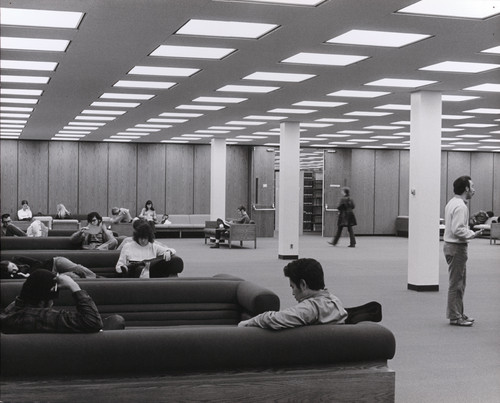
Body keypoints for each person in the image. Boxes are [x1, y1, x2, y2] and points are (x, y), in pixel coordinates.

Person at [0, 269, 124, 333]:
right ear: (44, 301)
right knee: (116, 320)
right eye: (52, 300)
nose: (53, 303)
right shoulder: (42, 317)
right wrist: (74, 287)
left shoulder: (12, 313)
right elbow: (93, 322)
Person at [238, 258, 347, 329]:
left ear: (303, 284)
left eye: (293, 287)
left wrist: (248, 322)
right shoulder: (336, 301)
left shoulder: (309, 309)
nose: (292, 293)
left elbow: (275, 319)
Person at [443, 175, 484, 327]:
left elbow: (456, 226)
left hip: (450, 246)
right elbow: (457, 229)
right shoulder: (461, 206)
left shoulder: (452, 203)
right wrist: (473, 233)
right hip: (456, 248)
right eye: (472, 187)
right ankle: (455, 316)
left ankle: (458, 313)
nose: (474, 190)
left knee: (459, 282)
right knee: (456, 283)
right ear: (466, 188)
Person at [115, 221, 183, 278]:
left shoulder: (153, 246)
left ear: (149, 237)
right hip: (134, 275)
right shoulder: (128, 246)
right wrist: (124, 270)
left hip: (151, 273)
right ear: (137, 237)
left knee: (161, 261)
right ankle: (139, 265)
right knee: (140, 268)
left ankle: (143, 265)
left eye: (145, 238)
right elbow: (119, 266)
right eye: (141, 238)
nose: (143, 240)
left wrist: (168, 251)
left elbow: (172, 250)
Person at [1, 256, 97, 280]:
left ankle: (97, 278)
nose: (15, 268)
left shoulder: (18, 259)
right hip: (53, 275)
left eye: (13, 265)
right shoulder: (17, 276)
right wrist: (23, 276)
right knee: (74, 276)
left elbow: (37, 263)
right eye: (12, 270)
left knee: (78, 268)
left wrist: (29, 273)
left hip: (55, 263)